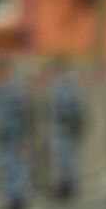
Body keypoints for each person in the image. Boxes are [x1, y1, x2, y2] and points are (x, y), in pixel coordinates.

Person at [0, 59, 32, 209]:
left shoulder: (17, 90)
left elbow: (25, 116)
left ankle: (18, 207)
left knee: (18, 174)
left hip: (16, 138)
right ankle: (13, 206)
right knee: (7, 173)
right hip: (3, 138)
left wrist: (24, 138)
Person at [44, 60, 83, 201]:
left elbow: (66, 109)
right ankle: (68, 186)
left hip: (63, 127)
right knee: (67, 158)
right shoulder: (69, 86)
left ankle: (67, 187)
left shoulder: (63, 87)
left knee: (65, 158)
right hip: (66, 127)